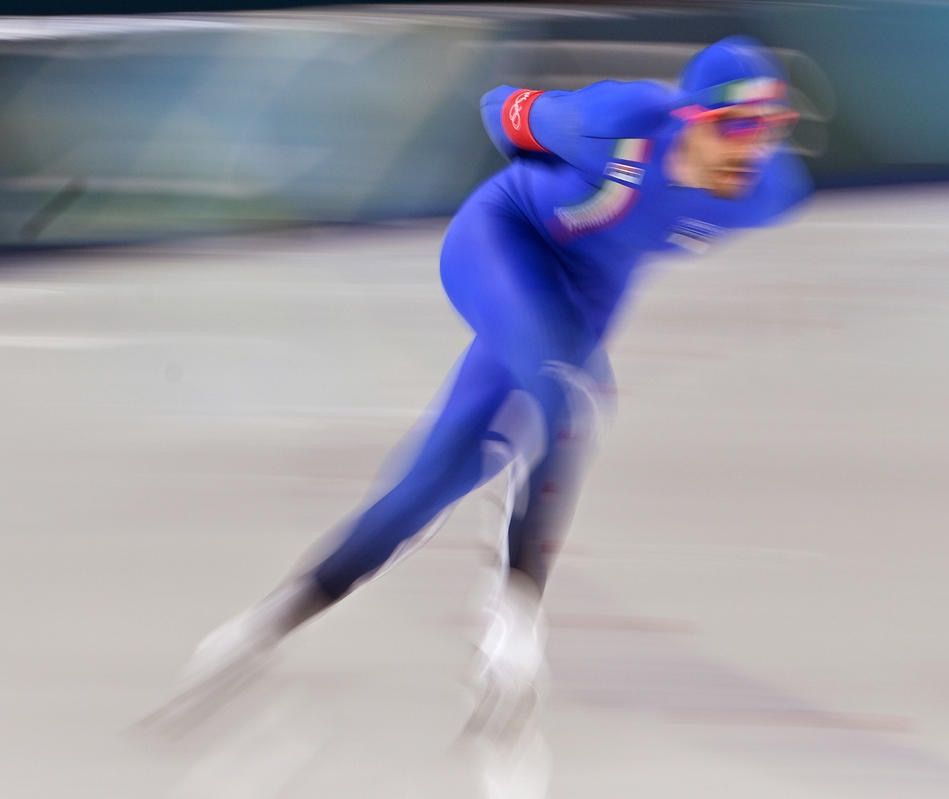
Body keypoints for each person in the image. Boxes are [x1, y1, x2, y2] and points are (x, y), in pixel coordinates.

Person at [175, 35, 812, 727]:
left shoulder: (770, 192)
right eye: (735, 126)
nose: (753, 149)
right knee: (568, 396)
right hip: (505, 240)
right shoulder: (615, 125)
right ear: (688, 117)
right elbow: (498, 107)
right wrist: (557, 165)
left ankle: (260, 629)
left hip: (585, 297)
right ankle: (512, 613)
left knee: (430, 485)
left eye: (771, 127)